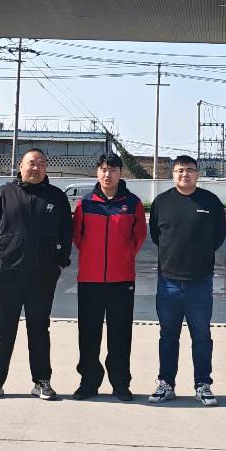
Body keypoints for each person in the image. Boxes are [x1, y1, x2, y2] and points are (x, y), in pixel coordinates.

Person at [0, 148, 72, 401]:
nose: (36, 167)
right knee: (3, 328)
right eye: (31, 163)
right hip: (6, 273)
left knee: (39, 327)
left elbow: (66, 231)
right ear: (20, 166)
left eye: (41, 163)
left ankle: (42, 381)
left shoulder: (56, 197)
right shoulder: (3, 194)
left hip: (43, 274)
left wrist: (60, 263)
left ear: (46, 168)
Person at [147, 154, 226, 406]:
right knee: (168, 335)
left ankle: (203, 385)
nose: (185, 174)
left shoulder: (210, 202)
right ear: (173, 174)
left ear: (197, 173)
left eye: (190, 170)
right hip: (168, 281)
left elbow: (219, 236)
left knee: (201, 336)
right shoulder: (162, 202)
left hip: (199, 282)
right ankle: (166, 384)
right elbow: (156, 236)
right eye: (180, 170)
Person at [71, 153, 146, 401]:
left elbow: (138, 236)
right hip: (89, 279)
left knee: (120, 334)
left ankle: (120, 383)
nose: (107, 174)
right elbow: (78, 236)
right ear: (97, 172)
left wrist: (122, 256)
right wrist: (92, 257)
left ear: (120, 173)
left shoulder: (132, 203)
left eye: (113, 170)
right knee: (88, 333)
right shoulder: (85, 203)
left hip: (121, 279)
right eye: (103, 169)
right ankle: (89, 382)